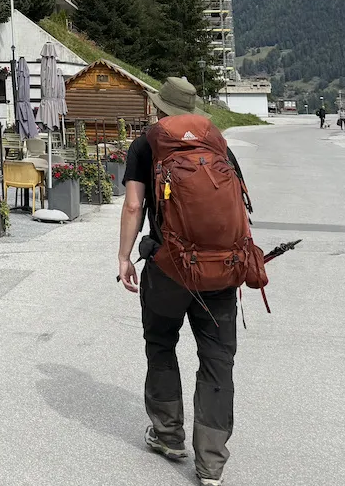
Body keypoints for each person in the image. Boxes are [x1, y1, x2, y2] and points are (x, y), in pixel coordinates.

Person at [119, 77, 250, 486]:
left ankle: (168, 434)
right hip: (219, 269)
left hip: (168, 268)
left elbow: (134, 203)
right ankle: (211, 464)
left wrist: (124, 256)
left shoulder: (146, 144)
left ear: (160, 109)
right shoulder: (216, 143)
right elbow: (238, 204)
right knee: (217, 359)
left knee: (161, 344)